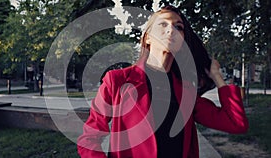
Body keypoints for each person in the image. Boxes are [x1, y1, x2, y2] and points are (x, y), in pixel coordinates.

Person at [77, 5, 248, 158]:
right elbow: (89, 138)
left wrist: (217, 76)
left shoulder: (186, 91)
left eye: (178, 27)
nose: (171, 30)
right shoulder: (118, 81)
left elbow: (235, 124)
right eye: (163, 24)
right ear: (148, 38)